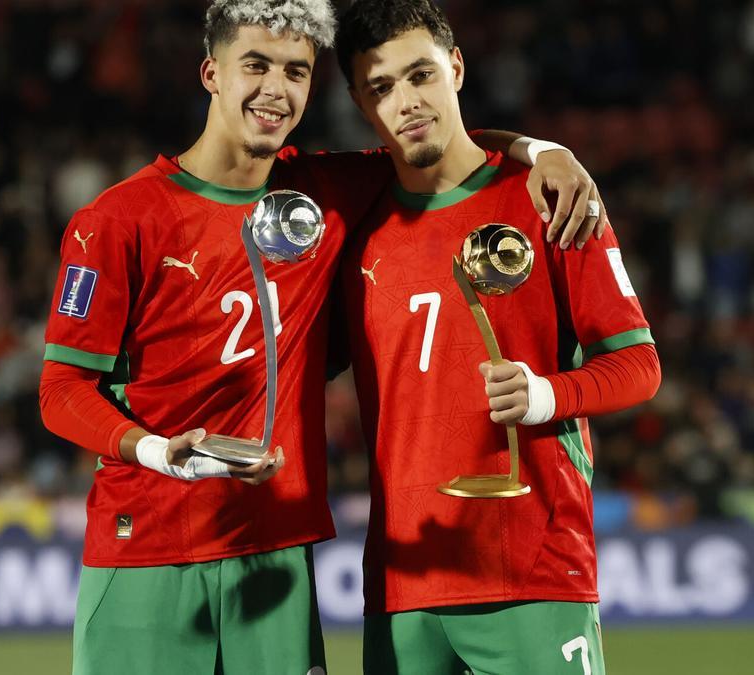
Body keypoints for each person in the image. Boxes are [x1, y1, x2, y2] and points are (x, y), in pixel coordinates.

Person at [39, 1, 605, 672]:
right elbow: (61, 391)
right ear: (210, 72)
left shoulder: (329, 193)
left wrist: (543, 150)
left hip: (277, 549)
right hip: (147, 545)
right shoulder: (117, 219)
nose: (276, 89)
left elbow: (442, 137)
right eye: (255, 65)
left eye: (296, 71)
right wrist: (159, 450)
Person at [334, 1, 663, 673]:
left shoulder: (550, 198)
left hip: (531, 569)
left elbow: (639, 363)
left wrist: (546, 395)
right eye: (381, 88)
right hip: (402, 584)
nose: (407, 101)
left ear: (455, 67)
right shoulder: (353, 220)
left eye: (420, 74)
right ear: (360, 104)